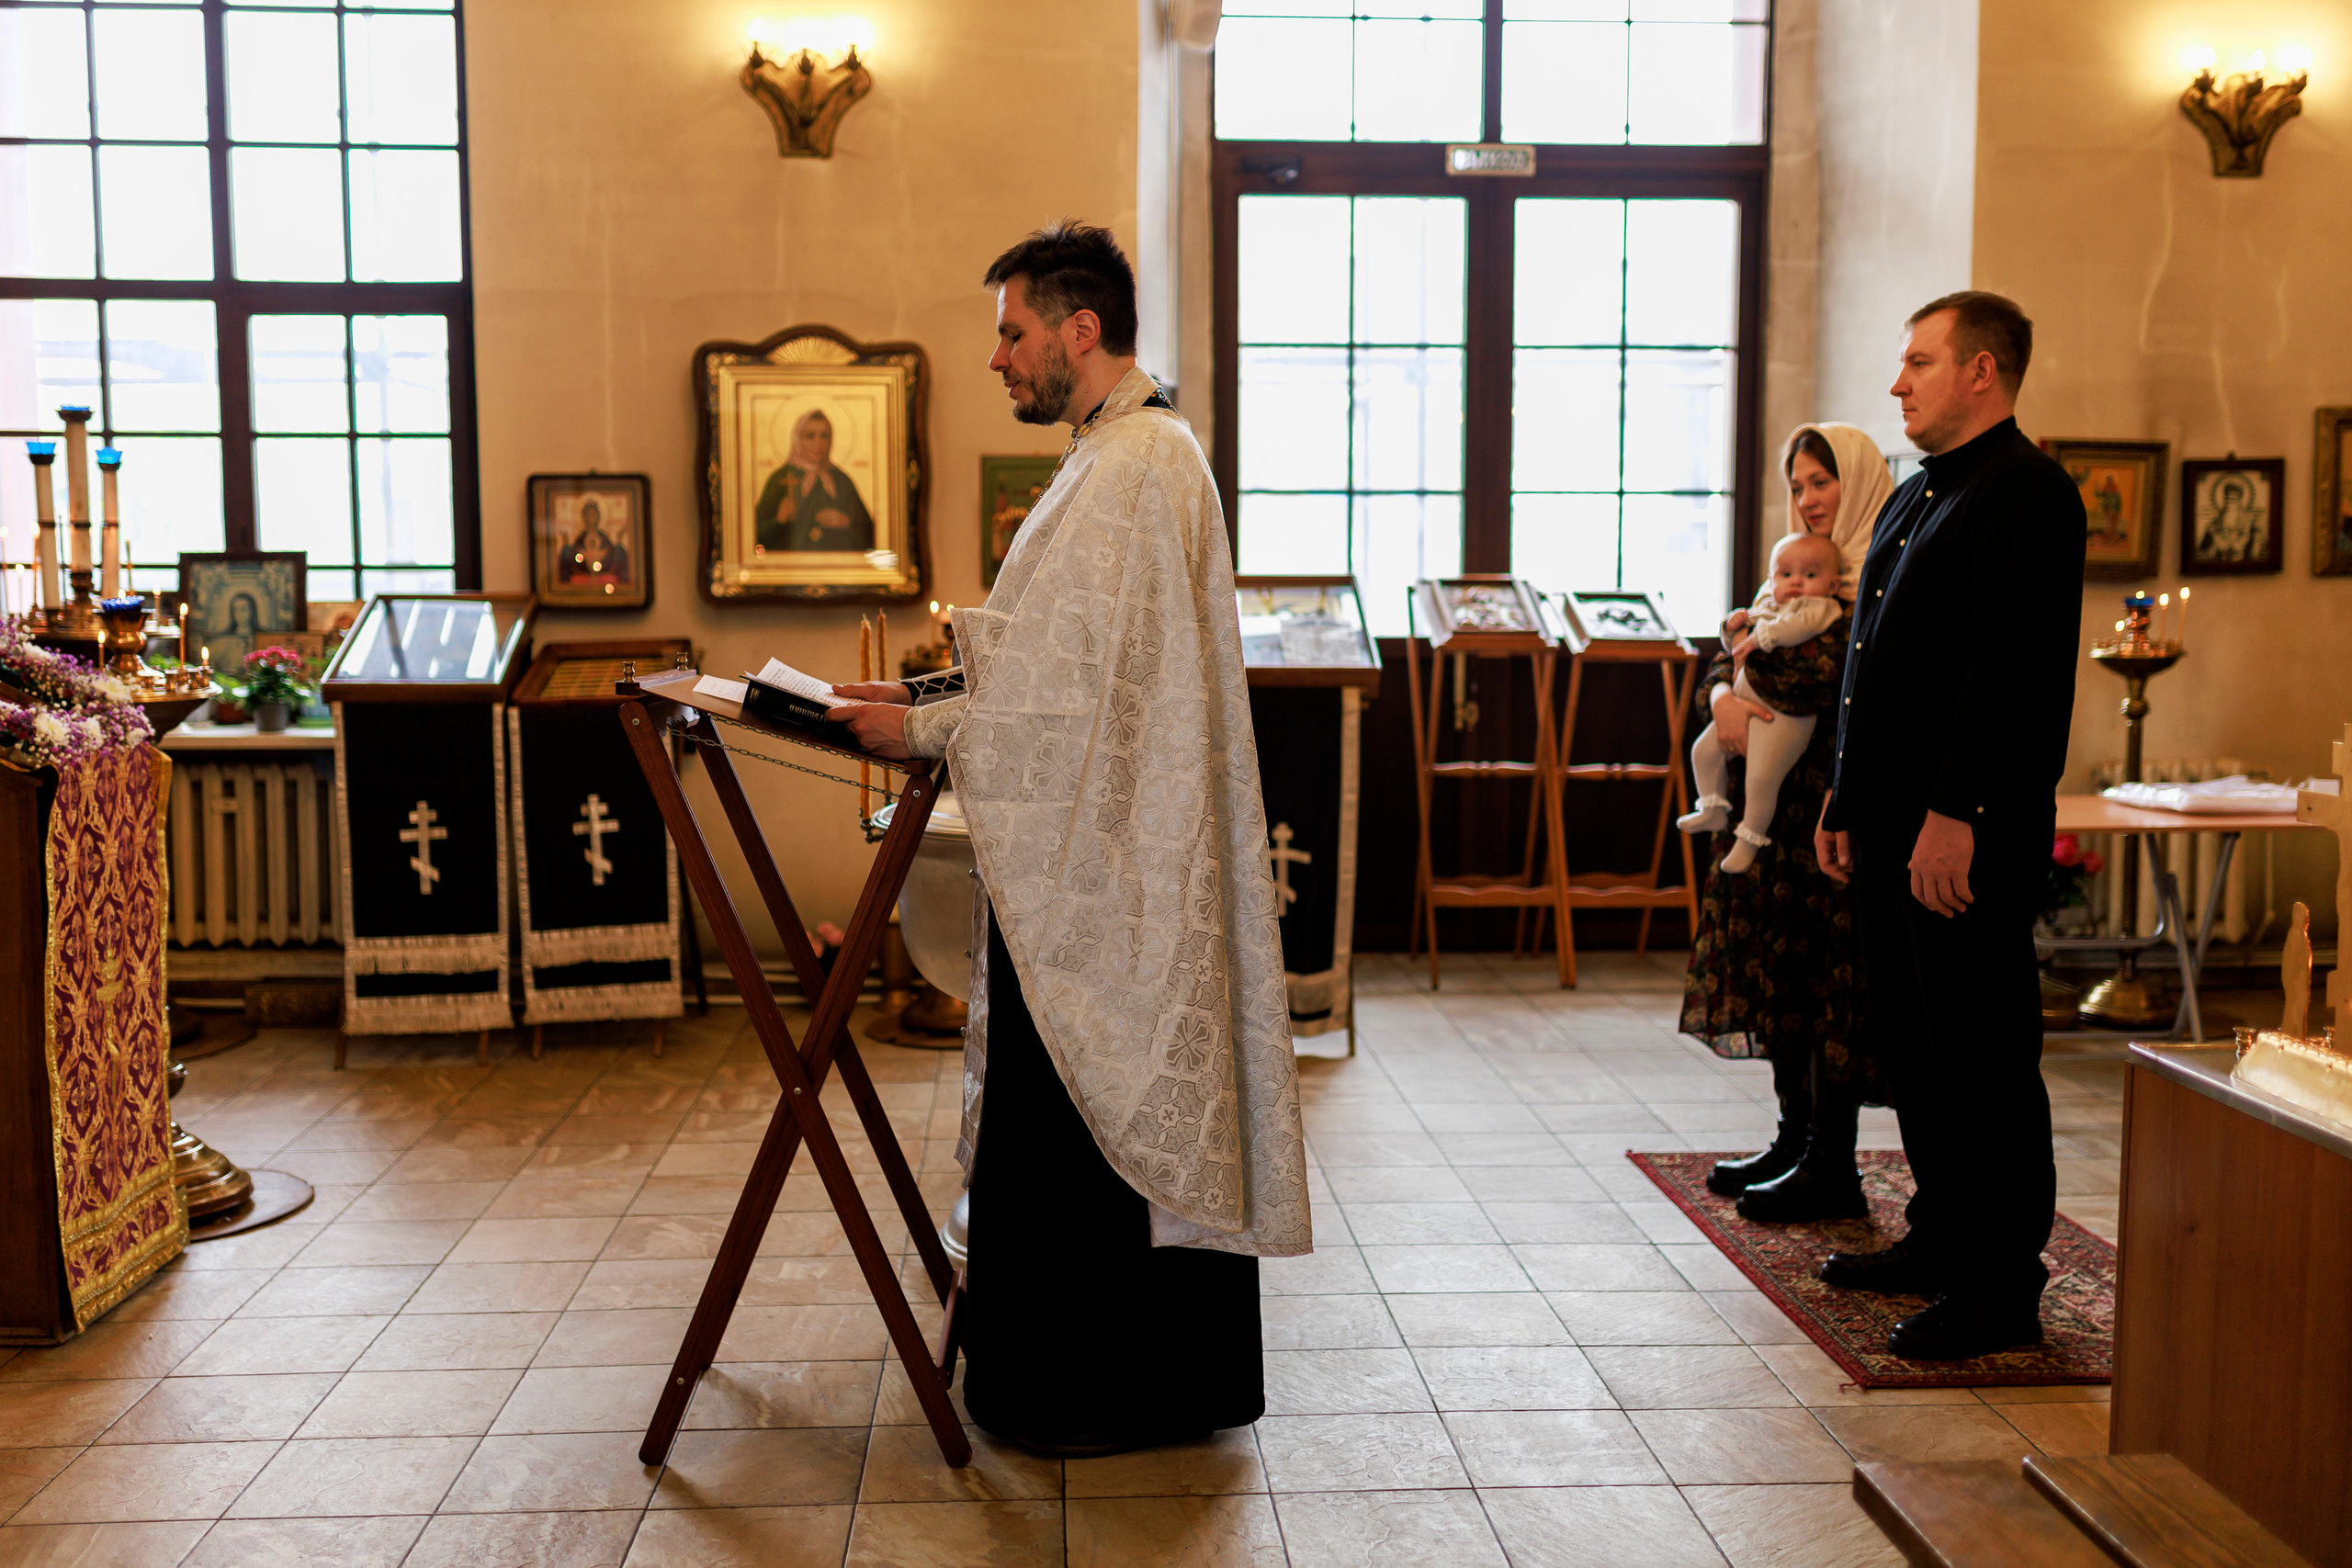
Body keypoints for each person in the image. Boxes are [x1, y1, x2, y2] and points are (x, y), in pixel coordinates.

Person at [827, 220, 1309, 1455]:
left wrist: (927, 721)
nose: (998, 358)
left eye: (1011, 331)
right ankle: (1108, 1375)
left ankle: (1087, 1388)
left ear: (1077, 330)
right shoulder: (1128, 453)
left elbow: (1056, 694)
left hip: (1110, 878)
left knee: (1092, 1121)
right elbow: (1056, 669)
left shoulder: (1136, 462)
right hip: (1103, 856)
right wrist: (926, 707)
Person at [1815, 290, 2086, 1360]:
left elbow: (2005, 678)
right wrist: (1845, 794)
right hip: (1889, 823)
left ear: (1981, 372)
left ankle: (1998, 1284)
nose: (1898, 382)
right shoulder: (1919, 493)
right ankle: (1938, 1236)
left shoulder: (2026, 494)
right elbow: (1873, 669)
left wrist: (1954, 815)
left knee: (1981, 1054)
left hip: (1959, 830)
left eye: (1918, 362)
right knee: (1916, 1046)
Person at [1680, 422, 1889, 1224]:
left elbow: (1813, 673)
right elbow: (1728, 653)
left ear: (1858, 484)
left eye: (1822, 483)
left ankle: (1833, 1164)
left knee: (1830, 983)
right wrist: (1723, 696)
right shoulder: (1793, 573)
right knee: (1784, 977)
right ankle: (1792, 1137)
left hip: (1832, 810)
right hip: (1776, 805)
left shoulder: (1871, 579)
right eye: (1798, 484)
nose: (1807, 500)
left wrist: (1745, 665)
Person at [1678, 528, 1847, 874]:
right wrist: (1733, 625)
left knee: (1761, 778)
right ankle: (1713, 808)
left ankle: (1750, 837)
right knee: (1702, 752)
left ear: (1832, 584)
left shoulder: (1820, 607)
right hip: (1742, 703)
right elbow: (1730, 654)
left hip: (1783, 718)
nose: (1796, 582)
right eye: (1786, 575)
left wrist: (1757, 638)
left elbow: (1798, 628)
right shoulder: (1767, 603)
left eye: (1810, 575)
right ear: (1771, 579)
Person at [753, 409, 875, 551]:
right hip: (789, 569)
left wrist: (847, 523)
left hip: (835, 567)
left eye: (824, 436)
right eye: (810, 436)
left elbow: (872, 537)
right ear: (797, 439)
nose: (818, 443)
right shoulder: (780, 479)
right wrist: (779, 521)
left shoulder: (841, 480)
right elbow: (754, 538)